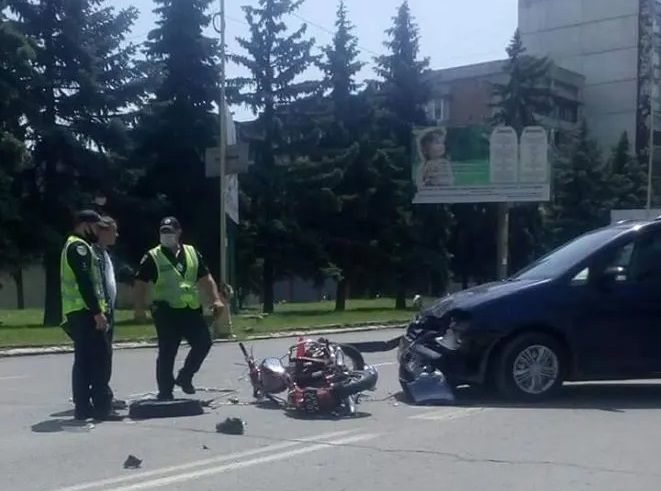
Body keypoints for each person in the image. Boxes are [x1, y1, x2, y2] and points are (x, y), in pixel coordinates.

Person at [133, 217, 225, 400]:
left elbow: (206, 278)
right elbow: (140, 283)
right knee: (168, 351)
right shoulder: (153, 256)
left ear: (178, 232)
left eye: (170, 232)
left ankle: (185, 376)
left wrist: (216, 299)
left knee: (203, 342)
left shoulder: (191, 252)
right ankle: (165, 391)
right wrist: (139, 308)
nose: (167, 235)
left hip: (190, 308)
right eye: (163, 232)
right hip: (166, 310)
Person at [60, 210, 122, 421]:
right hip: (86, 313)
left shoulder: (73, 244)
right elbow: (85, 282)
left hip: (78, 312)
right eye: (95, 227)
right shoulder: (79, 247)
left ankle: (83, 407)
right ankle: (102, 408)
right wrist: (97, 313)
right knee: (100, 359)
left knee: (84, 361)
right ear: (85, 225)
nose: (97, 231)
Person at [94, 216, 121, 407]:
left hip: (108, 310)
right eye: (114, 231)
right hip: (101, 312)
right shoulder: (94, 254)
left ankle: (105, 394)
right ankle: (101, 398)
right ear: (103, 231)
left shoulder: (105, 253)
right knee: (101, 357)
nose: (116, 235)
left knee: (106, 354)